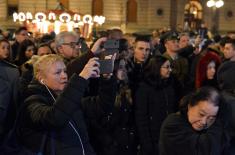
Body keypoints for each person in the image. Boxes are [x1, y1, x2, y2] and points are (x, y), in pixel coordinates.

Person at [16, 54, 116, 155]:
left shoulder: (67, 98)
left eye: (64, 71)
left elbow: (102, 106)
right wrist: (81, 79)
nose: (64, 76)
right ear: (41, 79)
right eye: (58, 72)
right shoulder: (31, 102)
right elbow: (54, 118)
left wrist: (107, 80)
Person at [159, 87, 229, 155]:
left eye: (211, 118)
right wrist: (219, 121)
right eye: (201, 114)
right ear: (190, 106)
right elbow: (204, 150)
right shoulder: (172, 124)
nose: (204, 122)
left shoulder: (208, 128)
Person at [135, 55, 178, 155]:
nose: (170, 70)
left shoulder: (169, 85)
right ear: (157, 68)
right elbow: (141, 117)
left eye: (170, 67)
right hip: (153, 138)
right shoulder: (144, 88)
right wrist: (146, 143)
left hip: (168, 134)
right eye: (166, 67)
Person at [0, 39, 20, 144]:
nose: (6, 50)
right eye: (3, 47)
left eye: (8, 48)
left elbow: (14, 98)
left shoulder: (13, 70)